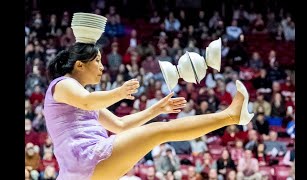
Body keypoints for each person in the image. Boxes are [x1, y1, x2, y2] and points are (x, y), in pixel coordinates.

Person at [43, 40, 253, 180]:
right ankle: (232, 114)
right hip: (86, 160)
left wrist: (156, 109)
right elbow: (88, 101)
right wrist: (119, 92)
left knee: (161, 129)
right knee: (161, 131)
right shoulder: (62, 84)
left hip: (85, 166)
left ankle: (232, 115)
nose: (102, 66)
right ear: (79, 65)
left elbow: (120, 125)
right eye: (97, 61)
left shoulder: (79, 97)